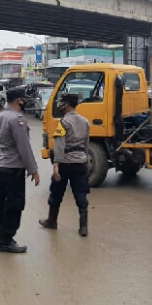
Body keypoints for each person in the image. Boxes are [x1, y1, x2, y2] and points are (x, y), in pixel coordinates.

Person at [0, 86, 40, 253]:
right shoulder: (17, 119)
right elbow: (24, 147)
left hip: (3, 165)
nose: (25, 101)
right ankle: (6, 240)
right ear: (20, 100)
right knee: (14, 204)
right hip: (14, 169)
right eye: (24, 99)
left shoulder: (1, 116)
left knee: (0, 201)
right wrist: (33, 169)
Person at [39, 92, 91, 236]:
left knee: (56, 193)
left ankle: (52, 221)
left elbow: (60, 145)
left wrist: (56, 164)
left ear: (67, 104)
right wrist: (84, 157)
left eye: (62, 102)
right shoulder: (85, 121)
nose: (60, 105)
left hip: (65, 163)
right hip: (80, 162)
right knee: (81, 194)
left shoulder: (63, 122)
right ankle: (83, 227)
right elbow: (87, 143)